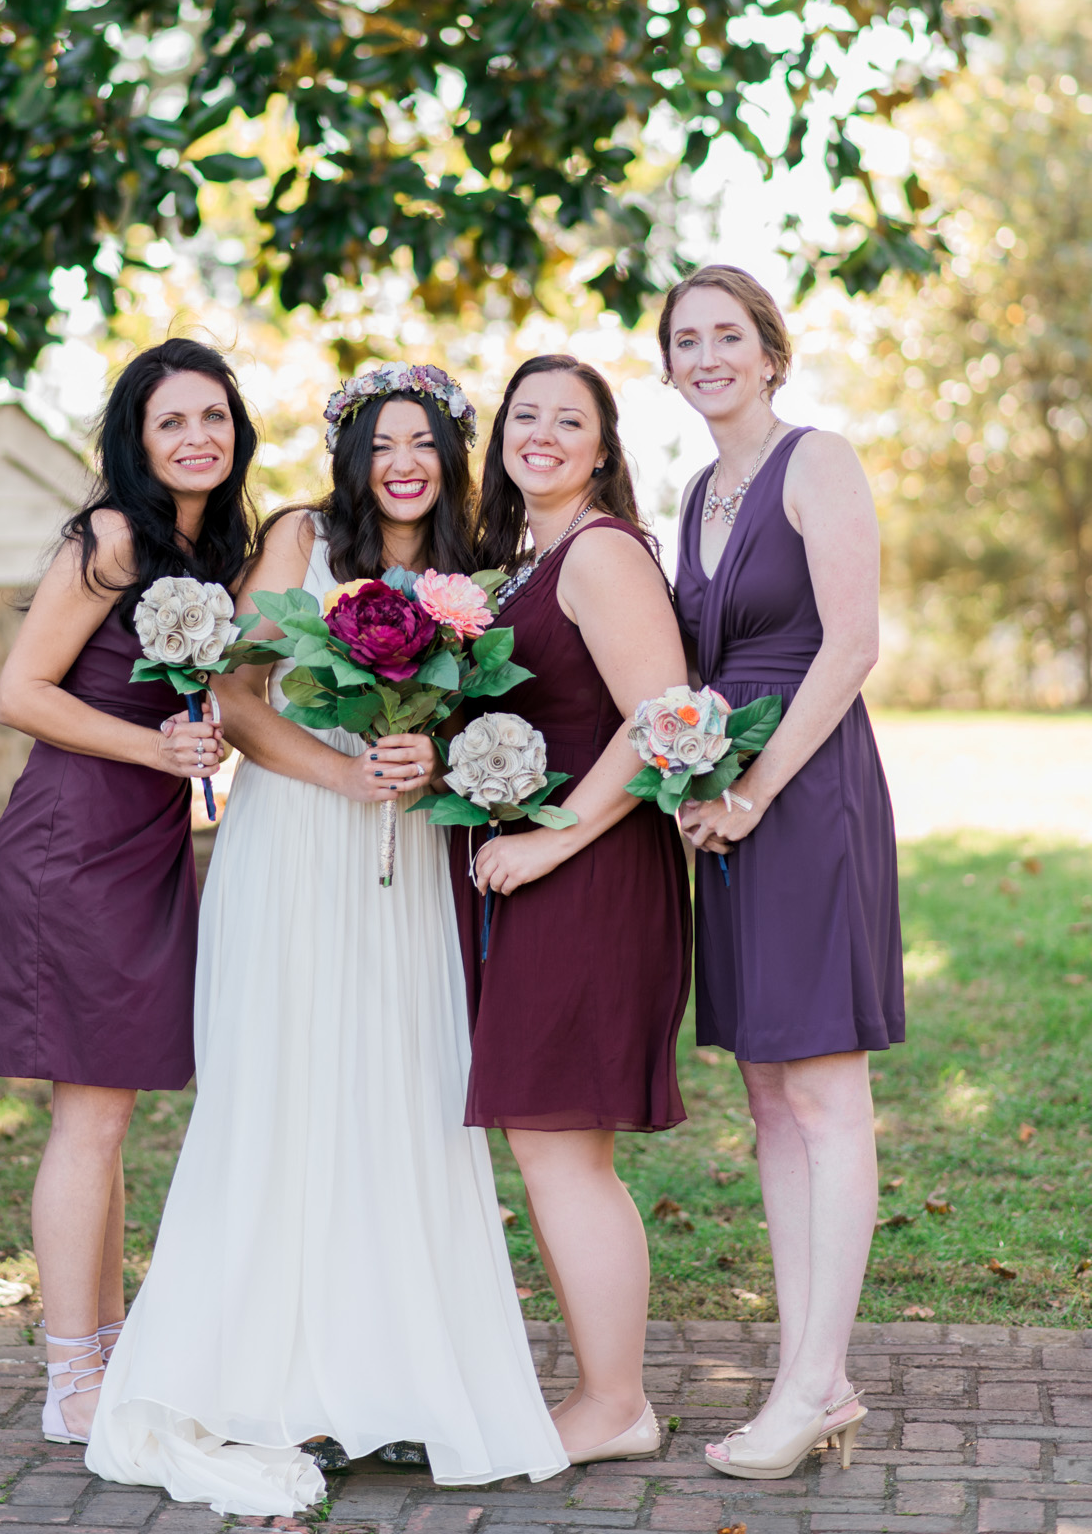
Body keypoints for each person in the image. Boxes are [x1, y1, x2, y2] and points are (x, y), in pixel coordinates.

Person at [86, 362, 565, 1516]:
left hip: (406, 869)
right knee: (281, 1089)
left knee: (396, 1096)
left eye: (424, 443)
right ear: (352, 455)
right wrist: (347, 772)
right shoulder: (301, 535)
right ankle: (263, 1376)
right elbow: (237, 695)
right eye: (381, 442)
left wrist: (427, 758)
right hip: (295, 845)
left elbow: (479, 721)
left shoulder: (474, 576)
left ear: (450, 459)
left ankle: (394, 1381)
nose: (402, 462)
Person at [0, 338, 254, 1446]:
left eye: (213, 418)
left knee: (109, 1112)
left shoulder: (214, 548)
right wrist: (157, 752)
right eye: (170, 420)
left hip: (145, 847)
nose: (196, 437)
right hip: (71, 842)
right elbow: (20, 691)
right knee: (87, 1119)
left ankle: (102, 1339)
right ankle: (68, 1372)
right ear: (135, 440)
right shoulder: (110, 536)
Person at [661, 264, 903, 1482]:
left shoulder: (819, 461)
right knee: (766, 1093)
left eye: (725, 335)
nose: (705, 355)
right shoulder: (693, 491)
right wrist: (697, 783)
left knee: (824, 1090)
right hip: (727, 810)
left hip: (804, 799)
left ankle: (811, 1378)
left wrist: (754, 789)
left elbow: (850, 642)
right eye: (683, 340)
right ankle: (812, 1371)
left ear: (767, 350)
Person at [453, 354, 692, 1467]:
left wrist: (551, 838)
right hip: (546, 873)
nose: (540, 433)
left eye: (569, 420)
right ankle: (598, 1388)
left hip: (592, 873)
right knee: (545, 1142)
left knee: (561, 1147)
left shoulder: (599, 552)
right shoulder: (520, 566)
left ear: (603, 448)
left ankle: (614, 1401)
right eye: (524, 416)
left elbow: (662, 718)